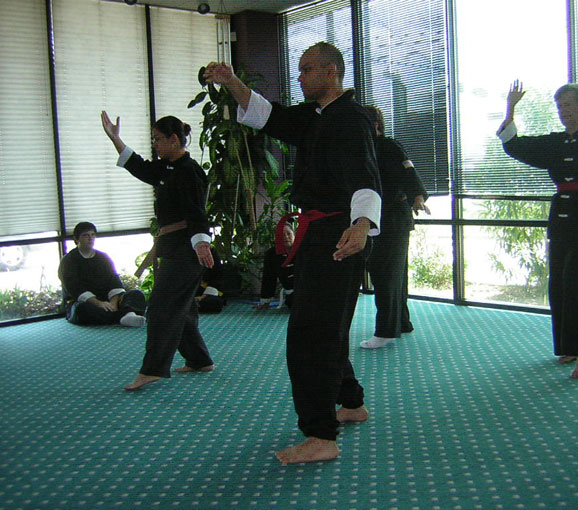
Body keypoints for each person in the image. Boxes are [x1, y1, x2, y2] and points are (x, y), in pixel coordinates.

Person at [204, 41, 381, 464]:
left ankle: (321, 436)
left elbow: (365, 176)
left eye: (307, 69)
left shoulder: (351, 119)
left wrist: (360, 226)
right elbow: (269, 115)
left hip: (338, 236)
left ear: (331, 72)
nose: (299, 77)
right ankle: (351, 403)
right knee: (327, 329)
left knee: (310, 337)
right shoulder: (316, 116)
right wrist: (232, 83)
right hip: (320, 233)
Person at [496, 81, 578, 379]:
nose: (564, 110)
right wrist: (511, 107)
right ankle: (568, 347)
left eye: (569, 104)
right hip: (561, 222)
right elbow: (514, 145)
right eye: (560, 106)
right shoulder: (554, 143)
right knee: (560, 286)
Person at [101, 112, 216, 391]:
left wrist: (202, 243)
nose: (154, 144)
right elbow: (140, 167)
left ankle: (152, 369)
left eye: (157, 139)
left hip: (187, 249)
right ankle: (199, 360)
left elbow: (197, 212)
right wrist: (116, 139)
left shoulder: (189, 172)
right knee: (181, 308)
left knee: (161, 309)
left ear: (174, 139)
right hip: (172, 246)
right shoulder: (166, 168)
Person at [361, 106, 429, 349]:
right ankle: (401, 322)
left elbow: (408, 171)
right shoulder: (364, 148)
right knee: (394, 274)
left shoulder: (389, 146)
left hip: (392, 219)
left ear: (376, 125)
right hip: (383, 218)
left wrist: (417, 197)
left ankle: (386, 331)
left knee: (385, 274)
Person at [58, 221, 147, 327]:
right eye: (85, 235)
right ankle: (125, 315)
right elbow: (74, 287)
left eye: (92, 235)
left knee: (136, 294)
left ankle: (119, 315)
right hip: (84, 302)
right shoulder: (68, 260)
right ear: (76, 239)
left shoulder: (103, 257)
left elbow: (113, 280)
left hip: (108, 300)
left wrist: (113, 304)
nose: (90, 238)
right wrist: (98, 303)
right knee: (83, 310)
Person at [254, 222, 295, 310]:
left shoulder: (303, 250)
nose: (286, 237)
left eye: (289, 234)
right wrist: (265, 302)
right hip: (293, 296)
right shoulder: (272, 254)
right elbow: (269, 278)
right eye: (282, 235)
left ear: (294, 235)